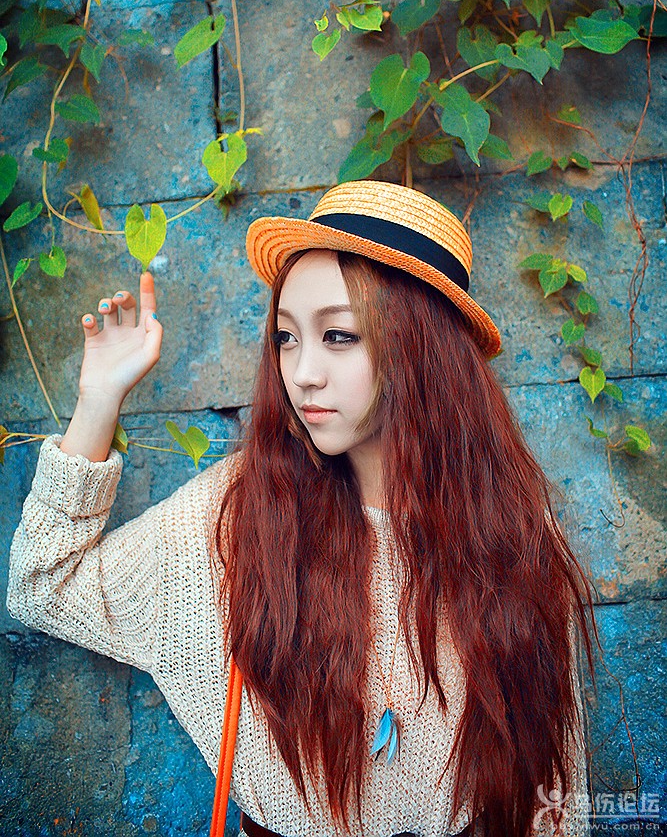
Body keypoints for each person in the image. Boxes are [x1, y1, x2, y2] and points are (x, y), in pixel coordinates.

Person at [7, 180, 596, 837]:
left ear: (423, 346)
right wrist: (98, 400)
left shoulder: (513, 530)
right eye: (286, 338)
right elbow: (43, 586)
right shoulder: (239, 512)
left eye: (337, 335)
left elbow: (554, 794)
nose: (302, 372)